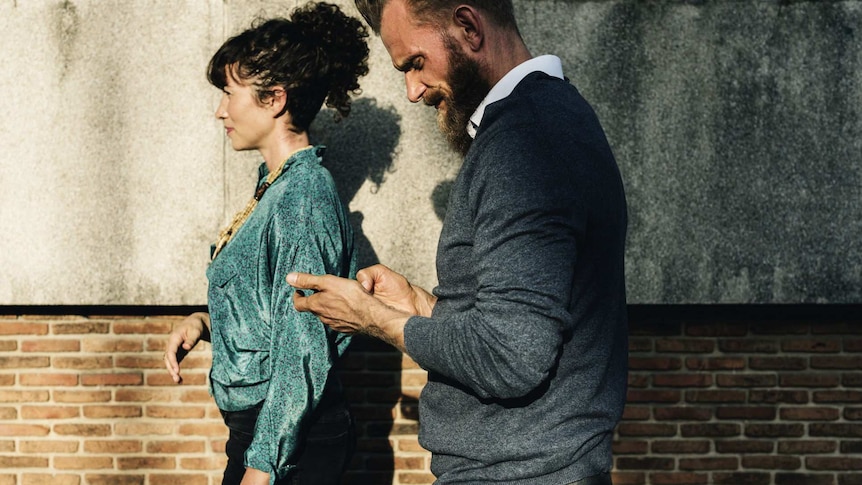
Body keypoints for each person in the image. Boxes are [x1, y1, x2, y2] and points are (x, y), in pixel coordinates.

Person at [287, 0, 628, 484]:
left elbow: (511, 357)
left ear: (468, 26)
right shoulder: (549, 117)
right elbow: (520, 323)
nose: (411, 90)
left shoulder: (526, 141)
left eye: (415, 63)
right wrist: (418, 306)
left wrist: (377, 320)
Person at [162, 3, 369, 484]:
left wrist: (263, 466)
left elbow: (303, 344)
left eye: (229, 94)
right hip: (266, 432)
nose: (220, 110)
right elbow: (272, 316)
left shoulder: (302, 196)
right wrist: (203, 323)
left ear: (274, 99)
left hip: (288, 440)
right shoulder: (274, 187)